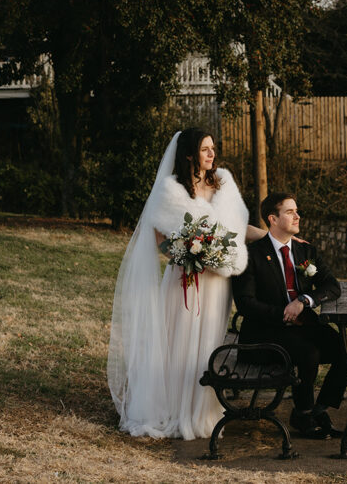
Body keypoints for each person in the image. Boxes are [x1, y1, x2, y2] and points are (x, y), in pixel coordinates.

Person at [108, 129, 266, 440]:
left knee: (208, 345)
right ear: (190, 154)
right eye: (205, 149)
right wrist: (187, 255)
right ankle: (173, 408)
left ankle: (203, 409)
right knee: (178, 344)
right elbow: (158, 238)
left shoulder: (223, 185)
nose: (212, 154)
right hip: (186, 281)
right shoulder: (171, 190)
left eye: (213, 148)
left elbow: (237, 228)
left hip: (217, 286)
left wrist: (272, 238)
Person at [232, 192, 347, 439]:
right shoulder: (251, 255)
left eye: (297, 211)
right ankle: (303, 413)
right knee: (308, 353)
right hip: (264, 332)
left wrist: (304, 301)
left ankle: (320, 408)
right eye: (290, 212)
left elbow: (332, 286)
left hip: (303, 324)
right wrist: (283, 313)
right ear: (273, 219)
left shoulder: (305, 251)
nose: (297, 216)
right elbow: (245, 304)